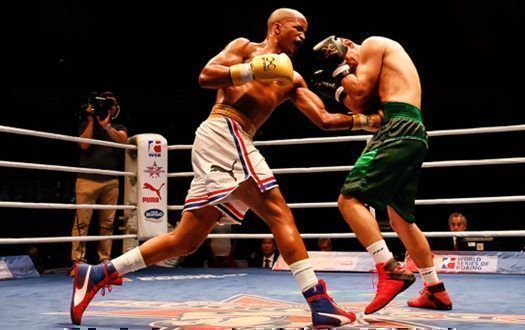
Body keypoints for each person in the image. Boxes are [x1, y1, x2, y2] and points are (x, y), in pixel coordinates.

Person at [70, 8, 382, 327]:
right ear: (276, 27)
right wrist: (251, 70)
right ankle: (319, 302)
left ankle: (96, 274)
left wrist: (366, 121)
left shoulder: (292, 78)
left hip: (233, 139)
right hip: (224, 130)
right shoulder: (245, 48)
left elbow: (325, 119)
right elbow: (206, 76)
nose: (303, 36)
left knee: (185, 240)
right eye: (297, 28)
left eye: (306, 31)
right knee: (279, 212)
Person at [311, 35, 452, 313]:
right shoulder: (382, 69)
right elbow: (361, 105)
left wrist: (339, 68)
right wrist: (337, 89)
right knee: (402, 219)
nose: (350, 69)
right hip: (413, 132)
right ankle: (435, 290)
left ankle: (389, 269)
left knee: (349, 200)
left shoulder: (373, 43)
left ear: (347, 45)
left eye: (347, 60)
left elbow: (361, 92)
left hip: (397, 128)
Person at [70, 91, 128, 274]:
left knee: (107, 224)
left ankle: (105, 261)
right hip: (87, 179)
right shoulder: (87, 123)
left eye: (111, 104)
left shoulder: (117, 126)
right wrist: (90, 120)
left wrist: (107, 126)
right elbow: (84, 145)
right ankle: (78, 263)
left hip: (111, 180)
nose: (108, 107)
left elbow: (123, 141)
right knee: (82, 223)